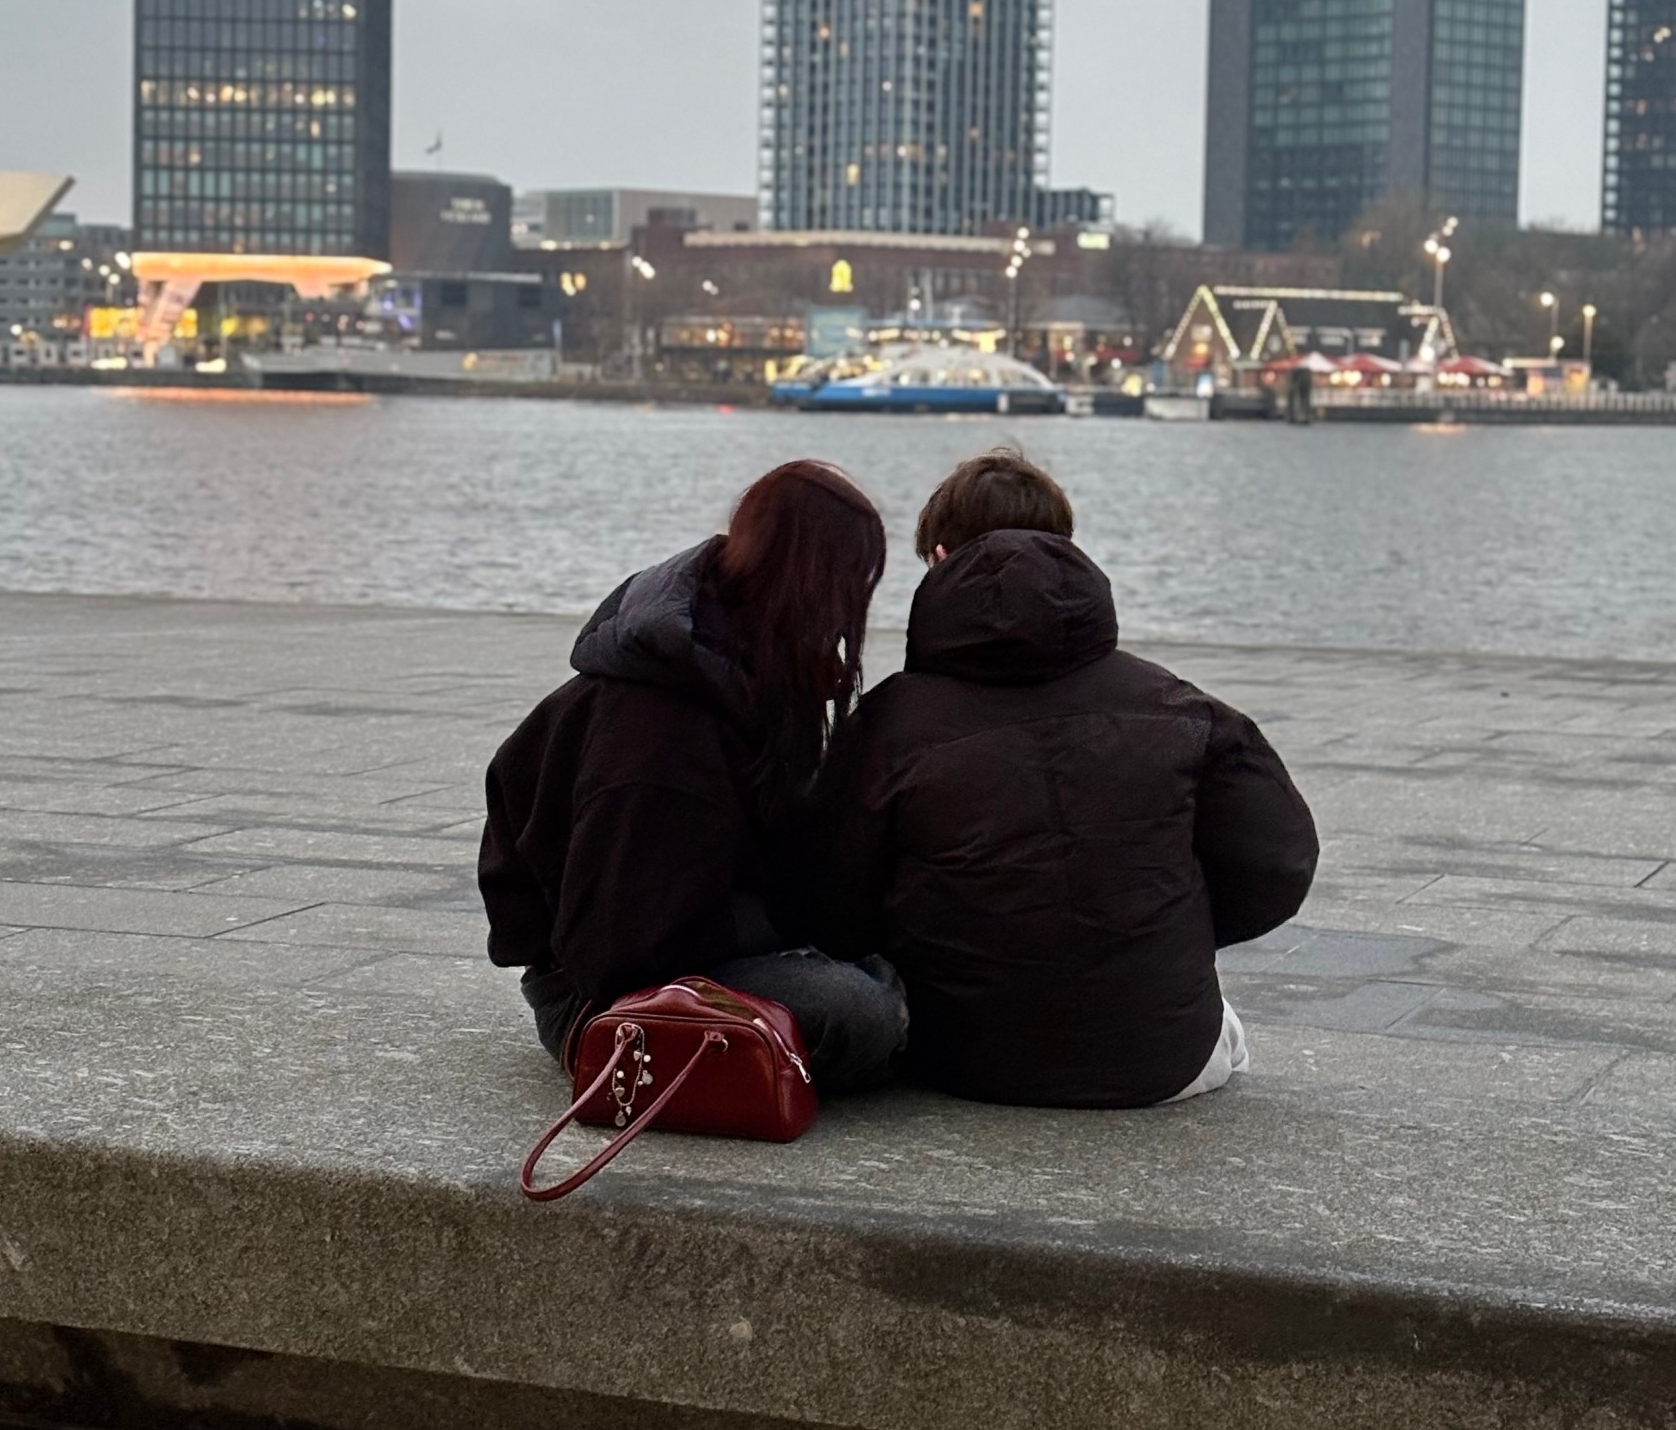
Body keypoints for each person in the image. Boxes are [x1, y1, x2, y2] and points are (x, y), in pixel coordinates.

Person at [814, 448, 1317, 1108]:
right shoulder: (1180, 708)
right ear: (1067, 551)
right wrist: (1164, 924)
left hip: (965, 1060)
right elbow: (1281, 861)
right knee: (1219, 1028)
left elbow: (829, 904)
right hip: (1166, 1059)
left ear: (938, 559)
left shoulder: (884, 725)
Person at [478, 460, 908, 1094]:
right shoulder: (657, 730)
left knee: (884, 978)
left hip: (683, 942)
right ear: (812, 580)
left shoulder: (741, 673)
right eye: (850, 583)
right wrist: (785, 935)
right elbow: (617, 947)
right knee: (866, 1011)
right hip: (603, 1000)